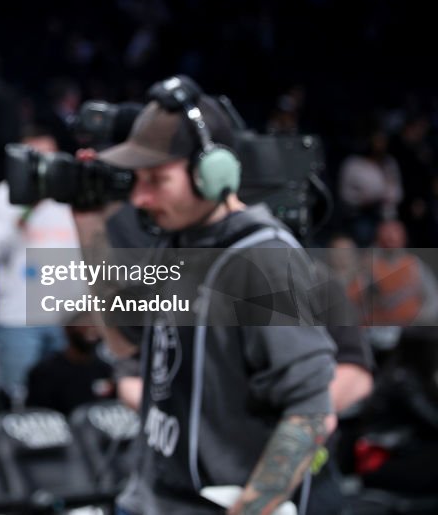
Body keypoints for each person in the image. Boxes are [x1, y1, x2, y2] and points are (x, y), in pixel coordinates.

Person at [72, 76, 336, 515]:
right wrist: (88, 224)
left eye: (157, 179)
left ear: (213, 175)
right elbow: (125, 343)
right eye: (137, 179)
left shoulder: (265, 261)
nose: (140, 197)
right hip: (149, 498)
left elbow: (311, 413)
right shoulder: (180, 242)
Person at [0, 123, 81, 405]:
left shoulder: (71, 197)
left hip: (68, 320)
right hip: (18, 317)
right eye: (38, 157)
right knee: (20, 402)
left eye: (52, 156)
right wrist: (27, 207)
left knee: (68, 400)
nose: (46, 165)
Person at [25, 312, 116, 417]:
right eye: (85, 325)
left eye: (95, 326)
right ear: (68, 329)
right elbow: (38, 413)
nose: (92, 331)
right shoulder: (45, 372)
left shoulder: (105, 370)